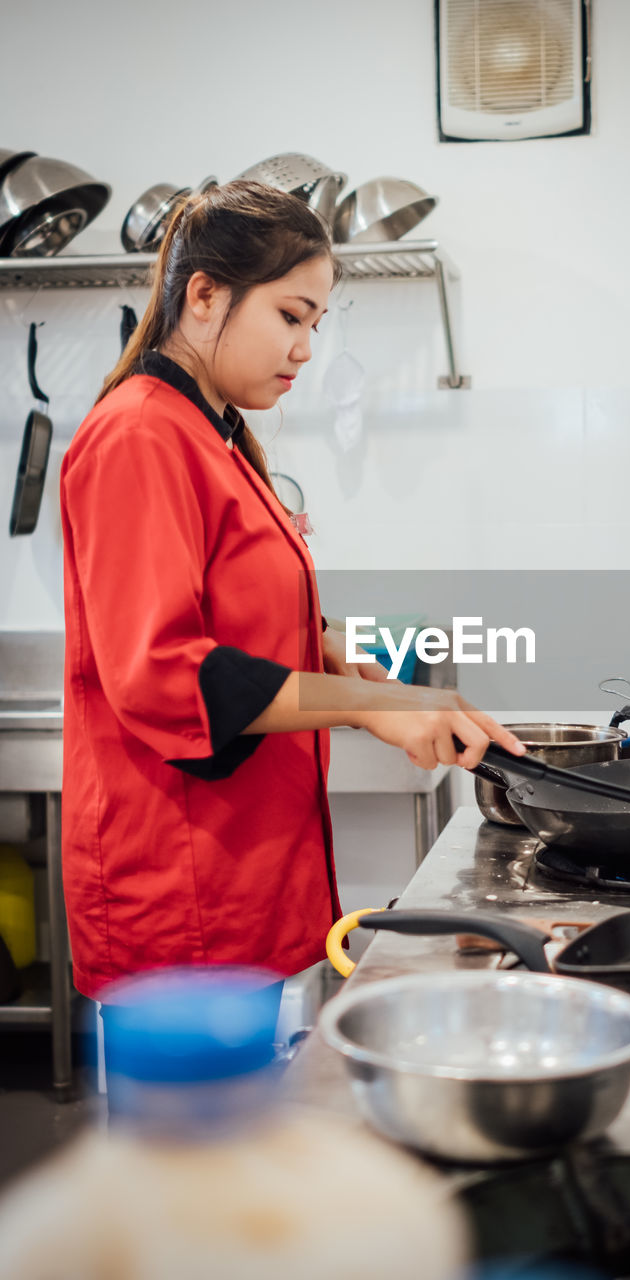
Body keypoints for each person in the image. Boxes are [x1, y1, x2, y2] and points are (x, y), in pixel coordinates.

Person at [60, 180, 525, 1000]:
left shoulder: (220, 436)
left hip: (244, 864)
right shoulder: (140, 434)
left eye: (315, 323)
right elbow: (164, 673)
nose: (305, 348)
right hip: (182, 884)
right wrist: (370, 709)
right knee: (198, 1130)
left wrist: (337, 650)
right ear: (204, 295)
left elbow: (238, 613)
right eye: (290, 315)